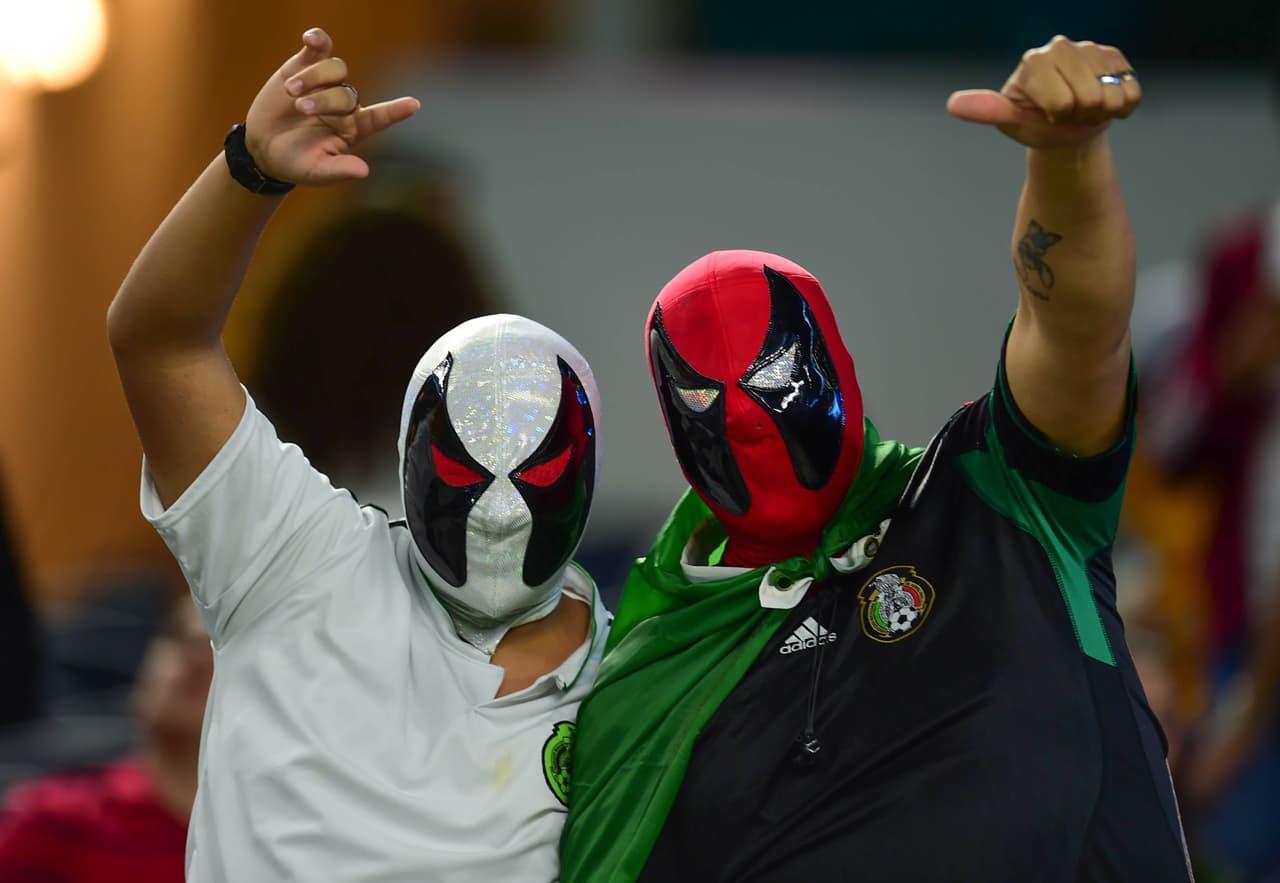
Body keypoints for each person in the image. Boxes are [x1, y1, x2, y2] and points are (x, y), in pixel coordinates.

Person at [562, 36, 1190, 882]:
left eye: (780, 374)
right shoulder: (645, 677)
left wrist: (1067, 162)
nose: (752, 418)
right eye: (710, 404)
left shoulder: (997, 495)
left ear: (835, 360)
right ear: (678, 433)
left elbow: (1074, 330)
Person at [107, 28, 609, 883]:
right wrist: (248, 170)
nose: (499, 509)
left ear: (586, 470)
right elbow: (159, 342)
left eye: (537, 469)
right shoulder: (290, 557)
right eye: (463, 466)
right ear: (415, 446)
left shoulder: (630, 684)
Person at [0, 598, 210, 882]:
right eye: (180, 637)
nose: (193, 661)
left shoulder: (268, 831)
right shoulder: (55, 825)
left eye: (214, 650)